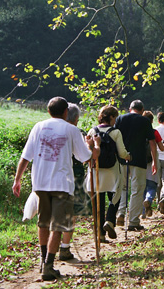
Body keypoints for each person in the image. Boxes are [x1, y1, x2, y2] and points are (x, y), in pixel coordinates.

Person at [12, 96, 100, 281]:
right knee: (58, 226)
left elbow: (25, 156)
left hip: (40, 183)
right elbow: (85, 156)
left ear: (48, 111)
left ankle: (43, 260)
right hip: (62, 184)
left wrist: (17, 179)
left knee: (43, 222)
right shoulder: (71, 129)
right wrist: (94, 146)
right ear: (66, 112)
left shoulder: (38, 126)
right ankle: (49, 266)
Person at [85, 105, 130, 242]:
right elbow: (122, 153)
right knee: (115, 197)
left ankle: (101, 235)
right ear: (111, 117)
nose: (115, 120)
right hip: (112, 171)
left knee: (98, 203)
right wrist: (128, 156)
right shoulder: (116, 132)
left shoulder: (93, 131)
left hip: (95, 171)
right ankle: (110, 221)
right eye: (115, 117)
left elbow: (88, 151)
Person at [115, 100, 157, 231]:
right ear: (142, 109)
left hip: (121, 159)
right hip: (139, 159)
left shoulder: (120, 119)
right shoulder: (145, 121)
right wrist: (155, 160)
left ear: (130, 108)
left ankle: (120, 213)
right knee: (137, 190)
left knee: (122, 188)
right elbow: (152, 142)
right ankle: (133, 221)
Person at [59, 103, 89, 261]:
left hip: (54, 174)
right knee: (71, 212)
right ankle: (64, 247)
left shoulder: (53, 130)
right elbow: (84, 157)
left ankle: (51, 249)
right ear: (76, 118)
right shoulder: (77, 132)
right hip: (74, 175)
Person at [142, 110, 164, 217]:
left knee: (142, 187)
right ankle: (149, 199)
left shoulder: (139, 133)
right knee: (152, 186)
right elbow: (161, 148)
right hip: (152, 161)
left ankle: (143, 212)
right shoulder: (154, 132)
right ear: (152, 121)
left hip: (140, 162)